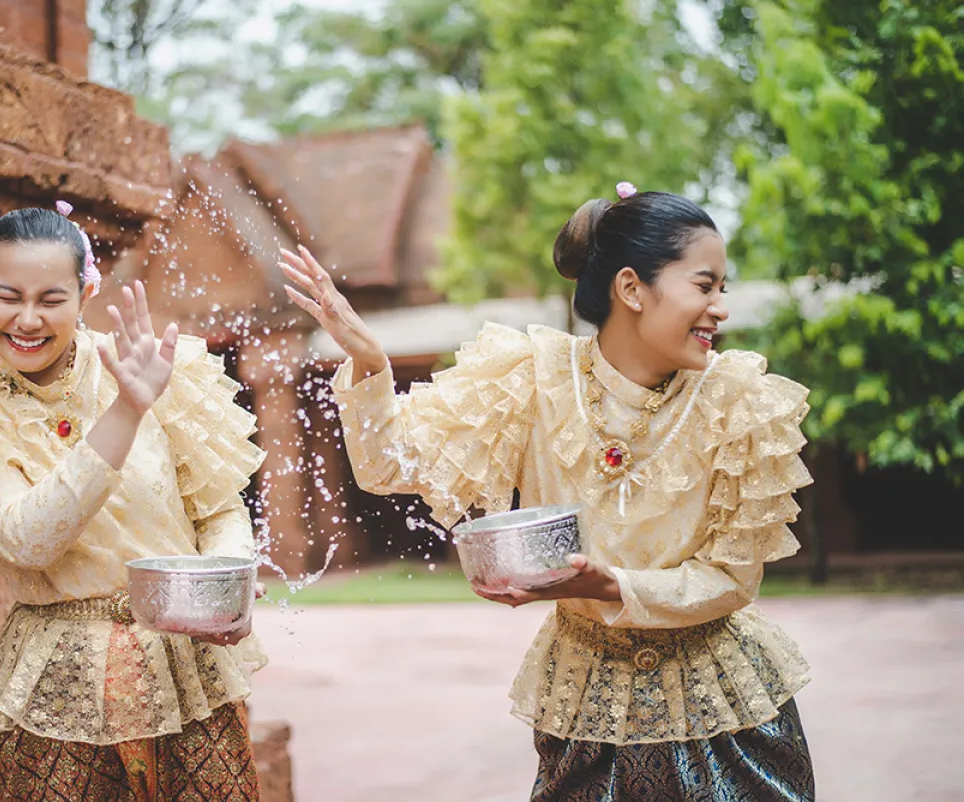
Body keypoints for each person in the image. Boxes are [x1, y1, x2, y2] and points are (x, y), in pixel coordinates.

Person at [280, 185, 816, 801]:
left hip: (729, 717)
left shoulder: (743, 401)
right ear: (632, 289)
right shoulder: (530, 378)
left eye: (724, 287)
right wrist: (371, 363)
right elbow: (390, 466)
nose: (720, 307)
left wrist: (612, 586)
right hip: (587, 712)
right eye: (704, 285)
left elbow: (731, 578)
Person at [0, 203, 267, 801]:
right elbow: (26, 539)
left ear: (86, 291)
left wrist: (226, 583)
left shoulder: (158, 367)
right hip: (57, 678)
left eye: (52, 299)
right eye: (8, 296)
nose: (28, 320)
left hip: (184, 665)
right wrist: (126, 412)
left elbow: (217, 509)